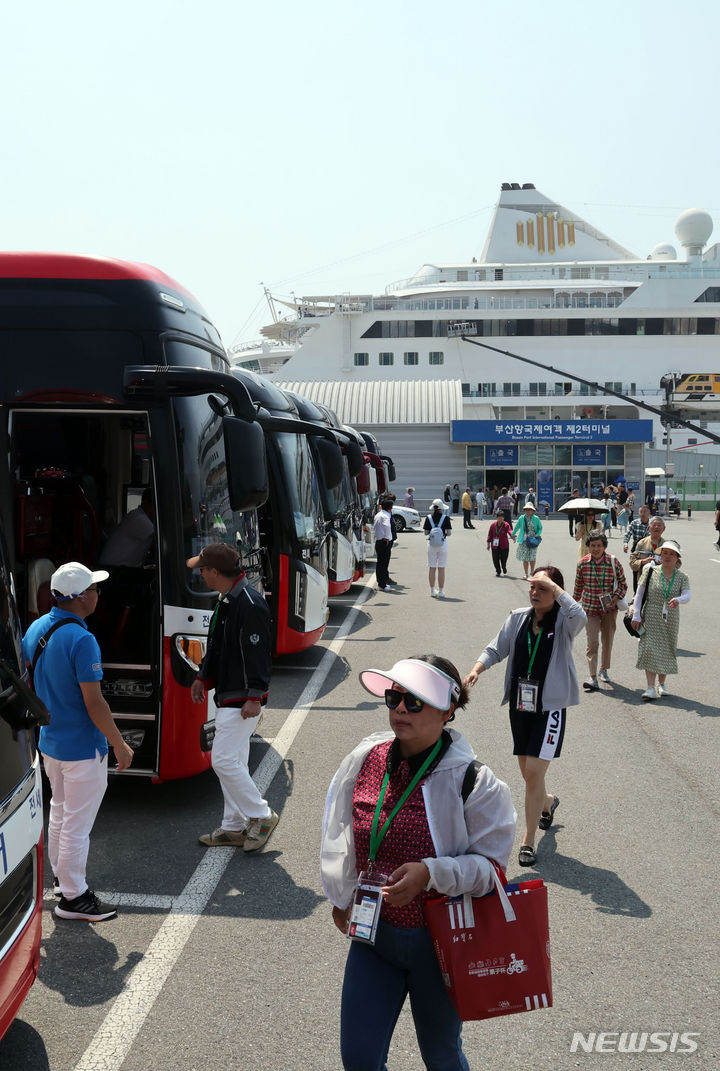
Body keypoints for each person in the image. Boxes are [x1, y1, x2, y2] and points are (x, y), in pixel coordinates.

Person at [321, 654, 516, 1071]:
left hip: (441, 944)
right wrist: (342, 894)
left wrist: (432, 872)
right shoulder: (366, 759)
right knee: (359, 1059)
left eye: (414, 702)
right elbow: (341, 833)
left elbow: (492, 871)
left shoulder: (474, 781)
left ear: (448, 711)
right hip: (373, 938)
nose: (398, 710)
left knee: (442, 1056)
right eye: (394, 698)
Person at [22, 562, 134, 922]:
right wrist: (119, 742)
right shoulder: (83, 640)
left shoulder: (37, 628)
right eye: (95, 589)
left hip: (50, 743)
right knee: (77, 825)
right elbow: (94, 702)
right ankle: (74, 897)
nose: (99, 594)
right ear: (82, 597)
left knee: (59, 814)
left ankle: (62, 882)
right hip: (83, 749)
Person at [465, 566, 586, 868]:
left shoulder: (563, 622)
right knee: (530, 775)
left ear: (556, 593)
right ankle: (547, 802)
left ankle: (528, 839)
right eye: (532, 586)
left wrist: (556, 590)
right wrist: (476, 669)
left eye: (542, 587)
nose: (534, 592)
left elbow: (580, 616)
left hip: (550, 709)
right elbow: (495, 648)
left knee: (533, 773)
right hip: (520, 705)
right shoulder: (518, 618)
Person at [188, 543, 278, 851]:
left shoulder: (248, 602)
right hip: (231, 691)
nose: (200, 574)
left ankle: (261, 815)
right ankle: (233, 827)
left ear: (214, 572)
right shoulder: (230, 598)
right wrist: (203, 675)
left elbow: (259, 654)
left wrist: (256, 695)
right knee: (234, 760)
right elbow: (217, 645)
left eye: (202, 569)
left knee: (223, 760)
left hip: (241, 697)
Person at [632, 540, 691, 700]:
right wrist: (636, 615)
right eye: (665, 553)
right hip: (651, 613)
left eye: (672, 554)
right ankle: (650, 687)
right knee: (650, 648)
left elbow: (687, 595)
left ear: (677, 558)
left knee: (667, 648)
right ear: (660, 554)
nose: (667, 556)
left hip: (670, 617)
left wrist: (678, 599)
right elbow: (639, 594)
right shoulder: (650, 571)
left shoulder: (682, 577)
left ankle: (662, 684)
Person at [573, 531, 627, 692]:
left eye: (599, 545)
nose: (596, 549)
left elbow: (623, 584)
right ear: (588, 546)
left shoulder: (613, 562)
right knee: (592, 642)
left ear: (604, 546)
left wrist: (615, 598)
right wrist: (568, 605)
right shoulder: (582, 564)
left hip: (609, 609)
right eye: (593, 545)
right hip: (590, 608)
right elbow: (578, 588)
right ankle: (592, 677)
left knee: (607, 639)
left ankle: (604, 668)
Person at [99, 487, 155, 567]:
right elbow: (161, 540)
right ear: (146, 503)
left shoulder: (139, 516)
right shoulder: (139, 519)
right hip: (114, 569)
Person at [424, 499, 452, 598]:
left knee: (432, 567)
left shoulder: (428, 518)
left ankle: (432, 591)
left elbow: (426, 533)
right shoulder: (446, 518)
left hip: (431, 545)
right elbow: (449, 533)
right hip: (442, 544)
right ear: (441, 508)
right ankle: (441, 591)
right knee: (441, 568)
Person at [629, 516, 666, 591]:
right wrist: (643, 561)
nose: (656, 527)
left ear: (664, 528)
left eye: (659, 525)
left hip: (662, 583)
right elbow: (632, 562)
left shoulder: (667, 545)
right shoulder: (641, 543)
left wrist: (665, 563)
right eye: (654, 525)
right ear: (649, 528)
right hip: (643, 582)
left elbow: (677, 564)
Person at [513, 502, 543, 578]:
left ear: (533, 510)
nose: (528, 511)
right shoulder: (521, 518)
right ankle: (526, 574)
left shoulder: (536, 518)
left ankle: (532, 572)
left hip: (533, 540)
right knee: (525, 558)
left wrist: (537, 535)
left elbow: (540, 528)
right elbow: (517, 526)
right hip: (524, 540)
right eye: (526, 509)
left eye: (530, 509)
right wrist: (513, 533)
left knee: (532, 557)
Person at [372, 498, 395, 592]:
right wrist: (387, 537)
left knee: (380, 563)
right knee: (384, 564)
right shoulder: (386, 516)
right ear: (390, 508)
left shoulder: (378, 514)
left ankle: (381, 582)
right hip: (384, 541)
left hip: (378, 541)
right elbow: (387, 526)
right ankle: (382, 584)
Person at [486, 507, 515, 577]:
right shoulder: (493, 525)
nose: (500, 520)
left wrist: (513, 536)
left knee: (503, 559)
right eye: (499, 518)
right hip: (495, 545)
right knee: (495, 559)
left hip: (504, 545)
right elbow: (490, 535)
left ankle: (504, 567)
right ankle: (498, 571)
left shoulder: (506, 525)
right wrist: (488, 544)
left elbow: (510, 531)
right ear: (496, 518)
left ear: (503, 518)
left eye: (502, 518)